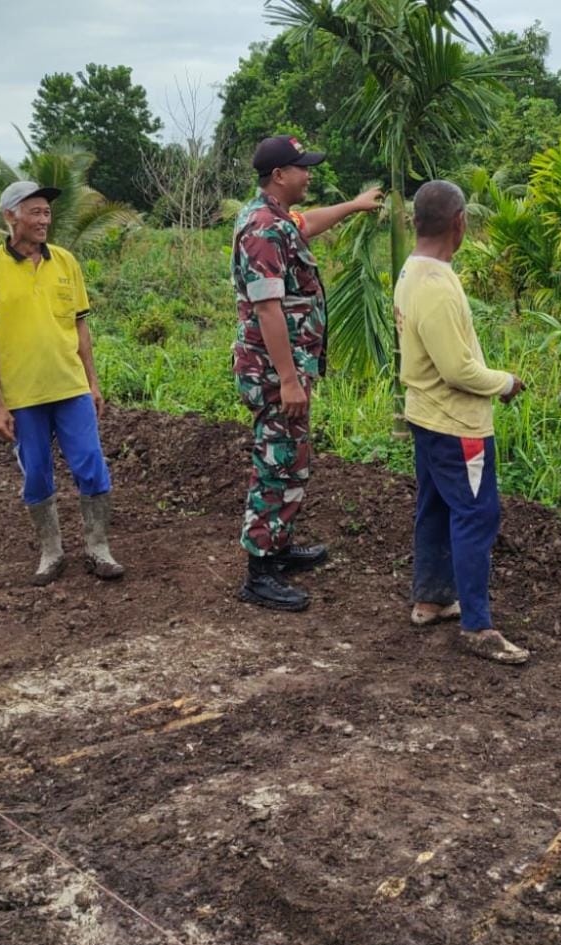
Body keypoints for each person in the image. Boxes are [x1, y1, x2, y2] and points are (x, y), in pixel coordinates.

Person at [232, 135, 383, 611]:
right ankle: (259, 571)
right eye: (302, 168)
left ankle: (278, 545)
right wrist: (289, 378)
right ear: (279, 175)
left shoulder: (277, 220)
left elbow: (309, 223)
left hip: (287, 368)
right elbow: (269, 309)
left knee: (291, 456)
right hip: (275, 372)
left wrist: (356, 206)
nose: (309, 174)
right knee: (277, 461)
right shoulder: (260, 228)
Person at [394, 180, 529, 665]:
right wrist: (506, 382)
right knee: (476, 515)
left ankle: (430, 599)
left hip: (426, 415)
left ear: (416, 223)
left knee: (435, 507)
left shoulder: (414, 272)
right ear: (459, 223)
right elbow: (458, 370)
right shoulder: (437, 289)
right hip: (457, 425)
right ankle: (477, 625)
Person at [0, 181, 123, 585]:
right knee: (36, 473)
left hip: (70, 387)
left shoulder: (65, 262)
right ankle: (51, 551)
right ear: (10, 216)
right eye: (34, 212)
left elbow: (81, 327)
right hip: (24, 396)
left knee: (91, 464)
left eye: (47, 213)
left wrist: (92, 382)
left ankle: (98, 547)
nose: (43, 220)